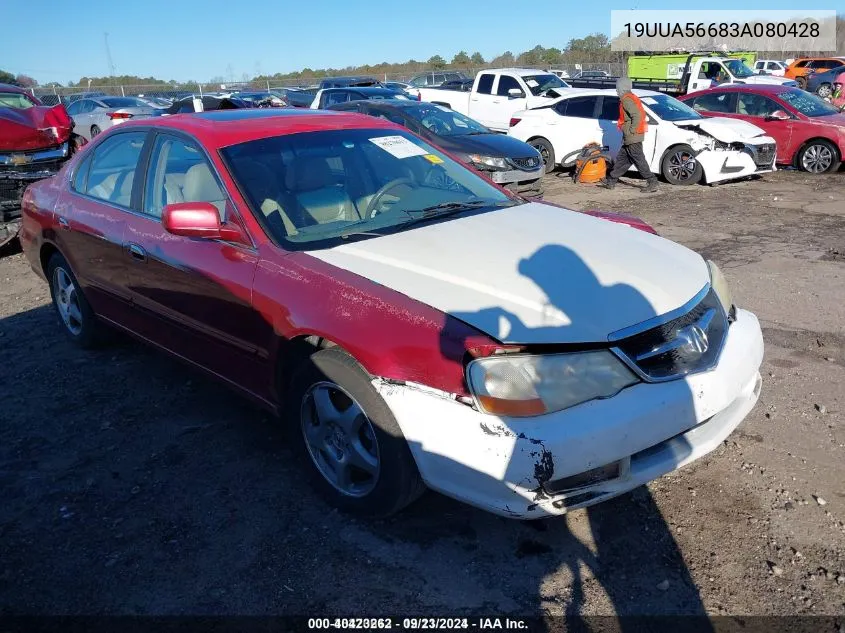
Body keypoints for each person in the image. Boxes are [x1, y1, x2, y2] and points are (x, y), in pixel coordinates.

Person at [600, 78, 659, 193]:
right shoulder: (630, 97)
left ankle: (652, 181)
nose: (616, 91)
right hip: (631, 135)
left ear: (622, 88)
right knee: (623, 159)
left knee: (638, 159)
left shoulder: (627, 100)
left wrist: (631, 130)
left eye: (617, 88)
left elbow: (636, 115)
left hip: (633, 136)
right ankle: (611, 180)